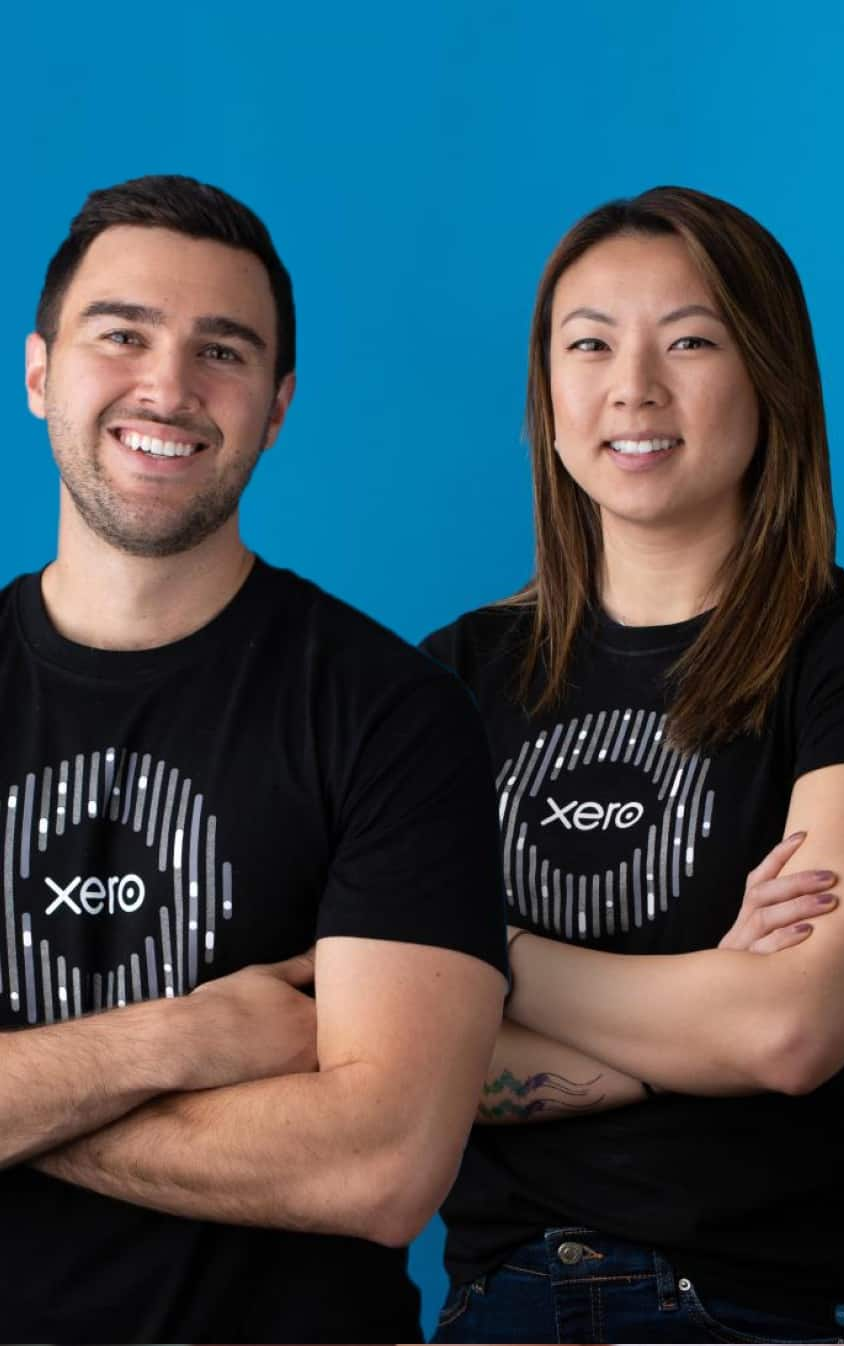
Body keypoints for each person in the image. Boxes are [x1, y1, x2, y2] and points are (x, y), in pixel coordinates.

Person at [420, 186, 844, 1344]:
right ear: (545, 395)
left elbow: (788, 1032)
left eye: (690, 340)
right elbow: (380, 1043)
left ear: (769, 375)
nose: (634, 386)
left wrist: (481, 951)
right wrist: (698, 1008)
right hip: (491, 1299)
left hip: (752, 1302)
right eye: (589, 342)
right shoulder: (447, 676)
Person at [0, 175, 508, 1343]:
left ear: (276, 407)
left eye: (219, 351)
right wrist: (182, 1040)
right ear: (38, 372)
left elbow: (380, 1165)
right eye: (121, 333)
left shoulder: (397, 714)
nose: (168, 387)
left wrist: (29, 1098)